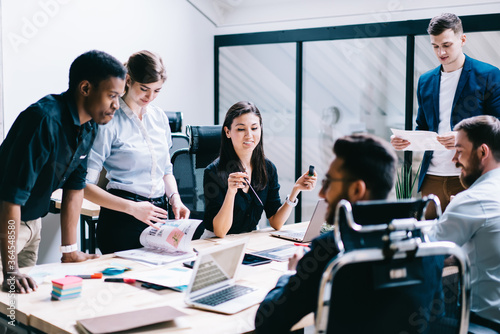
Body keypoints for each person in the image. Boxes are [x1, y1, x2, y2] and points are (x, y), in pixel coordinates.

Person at [255, 134, 443, 333]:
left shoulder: (335, 250)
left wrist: (291, 273)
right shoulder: (425, 245)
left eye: (328, 182)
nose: (321, 193)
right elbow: (436, 317)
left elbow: (268, 320)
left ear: (356, 189)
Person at [0, 50, 126, 293]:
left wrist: (69, 252)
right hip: (6, 222)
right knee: (6, 306)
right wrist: (11, 269)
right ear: (86, 88)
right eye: (111, 95)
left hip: (33, 222)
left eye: (119, 97)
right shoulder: (42, 121)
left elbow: (75, 188)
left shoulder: (89, 125)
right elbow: (10, 199)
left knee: (23, 308)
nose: (116, 105)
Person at [391, 13, 500, 215]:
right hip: (432, 176)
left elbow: (497, 126)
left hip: (470, 174)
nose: (441, 52)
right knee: (428, 238)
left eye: (446, 45)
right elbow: (422, 125)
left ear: (462, 40)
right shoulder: (425, 81)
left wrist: (462, 138)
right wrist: (406, 140)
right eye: (435, 46)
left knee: (467, 240)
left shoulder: (488, 75)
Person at [84, 50, 190, 254]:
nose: (150, 97)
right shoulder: (109, 121)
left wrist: (175, 198)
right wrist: (132, 209)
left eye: (157, 91)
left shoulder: (159, 118)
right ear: (128, 80)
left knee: (160, 280)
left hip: (159, 215)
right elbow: (84, 186)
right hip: (122, 218)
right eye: (144, 89)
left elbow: (166, 170)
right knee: (126, 283)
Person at [202, 101, 317, 238]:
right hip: (215, 243)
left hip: (248, 240)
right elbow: (220, 232)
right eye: (241, 129)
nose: (249, 135)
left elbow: (276, 222)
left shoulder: (268, 169)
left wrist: (295, 191)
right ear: (228, 132)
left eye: (254, 128)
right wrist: (231, 192)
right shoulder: (213, 172)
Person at [428, 115, 500, 331]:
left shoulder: (472, 199)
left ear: (482, 152)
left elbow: (428, 253)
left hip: (484, 324)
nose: (454, 160)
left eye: (459, 151)